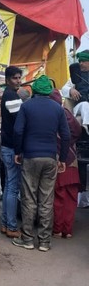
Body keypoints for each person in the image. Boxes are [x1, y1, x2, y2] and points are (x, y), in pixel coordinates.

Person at [12, 75, 70, 252]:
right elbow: (66, 135)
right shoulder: (58, 108)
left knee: (29, 198)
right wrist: (63, 158)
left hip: (30, 156)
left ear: (35, 90)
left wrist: (17, 152)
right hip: (50, 158)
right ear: (49, 92)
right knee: (46, 200)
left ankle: (28, 239)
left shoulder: (27, 106)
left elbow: (18, 130)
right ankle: (44, 242)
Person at [49, 89, 82, 239]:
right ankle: (67, 231)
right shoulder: (66, 113)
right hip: (72, 160)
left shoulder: (48, 114)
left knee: (58, 198)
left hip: (57, 160)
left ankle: (57, 230)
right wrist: (70, 143)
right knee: (71, 198)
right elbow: (77, 129)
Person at [0, 65, 23, 238]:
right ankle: (12, 226)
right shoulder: (11, 96)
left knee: (9, 186)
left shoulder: (9, 94)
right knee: (13, 188)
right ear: (8, 79)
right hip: (11, 148)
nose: (18, 81)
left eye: (19, 78)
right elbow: (19, 124)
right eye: (15, 78)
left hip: (7, 146)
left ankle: (5, 224)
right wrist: (19, 149)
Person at [65, 49, 89, 134]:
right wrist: (70, 90)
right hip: (80, 106)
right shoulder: (76, 75)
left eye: (83, 61)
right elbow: (64, 89)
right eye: (80, 61)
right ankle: (85, 127)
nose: (80, 63)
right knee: (85, 105)